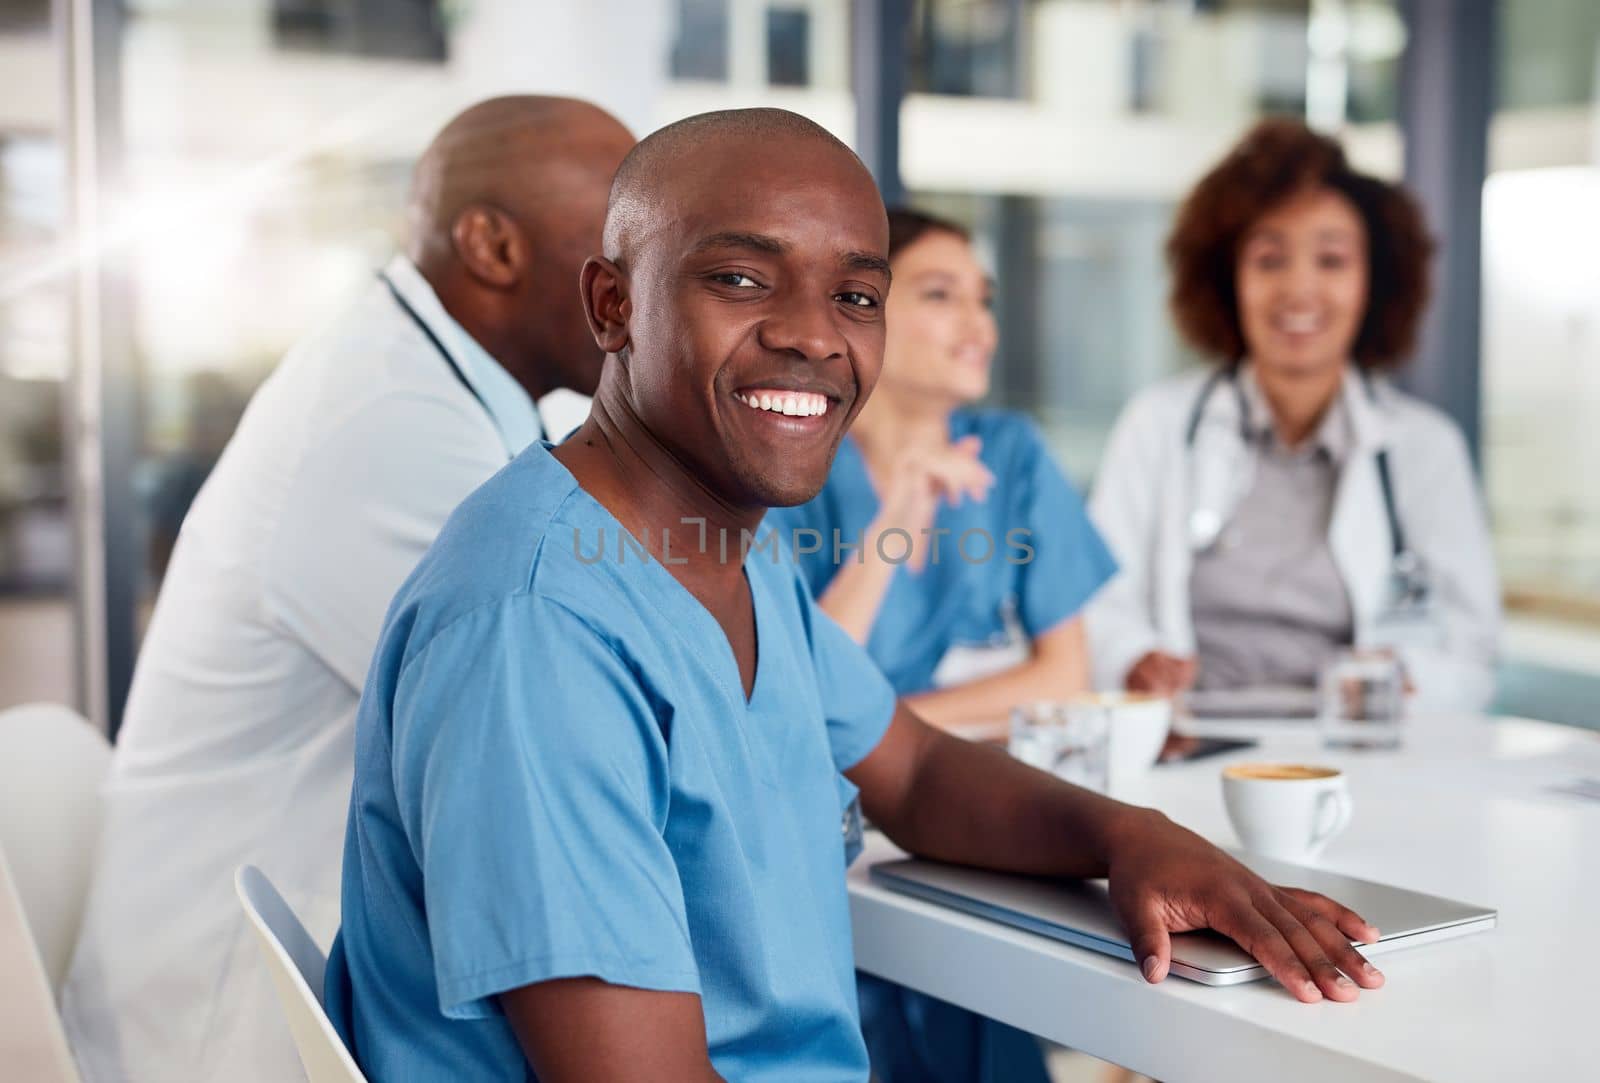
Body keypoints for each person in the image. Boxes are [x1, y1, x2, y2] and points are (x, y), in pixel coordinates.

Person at [326, 107, 1386, 1082]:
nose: (814, 335)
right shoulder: (539, 629)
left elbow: (915, 770)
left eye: (857, 296)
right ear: (614, 306)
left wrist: (1132, 838)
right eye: (740, 279)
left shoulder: (721, 550)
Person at [59, 96, 635, 1082]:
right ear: (493, 245)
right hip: (226, 1032)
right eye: (620, 250)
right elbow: (580, 721)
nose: (646, 292)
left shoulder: (443, 393)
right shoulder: (391, 423)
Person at [766, 207, 1114, 1081]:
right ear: (862, 312)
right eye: (939, 294)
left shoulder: (1010, 452)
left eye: (983, 298)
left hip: (947, 812)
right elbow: (798, 683)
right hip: (822, 836)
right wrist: (901, 514)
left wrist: (883, 735)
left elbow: (1067, 672)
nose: (978, 325)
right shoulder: (791, 456)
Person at [1086, 118, 1500, 714]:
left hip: (1362, 747)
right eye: (1269, 259)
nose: (1299, 289)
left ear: (1374, 283)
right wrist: (1134, 657)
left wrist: (1403, 680)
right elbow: (1099, 603)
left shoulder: (1423, 448)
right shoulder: (1160, 424)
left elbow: (1472, 652)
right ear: (1228, 280)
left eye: (1332, 261)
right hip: (1191, 737)